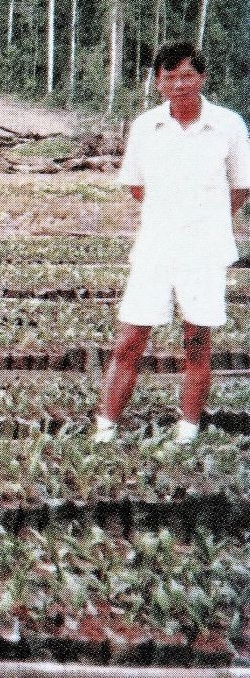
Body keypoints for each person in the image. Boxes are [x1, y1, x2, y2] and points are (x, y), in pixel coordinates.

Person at [95, 41, 250, 445]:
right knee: (130, 339)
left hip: (205, 252)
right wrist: (171, 217)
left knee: (198, 340)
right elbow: (135, 183)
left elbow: (240, 187)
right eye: (169, 77)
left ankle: (187, 431)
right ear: (158, 82)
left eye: (187, 75)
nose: (179, 84)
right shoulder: (146, 125)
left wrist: (205, 220)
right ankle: (105, 428)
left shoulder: (229, 125)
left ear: (202, 77)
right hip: (155, 250)